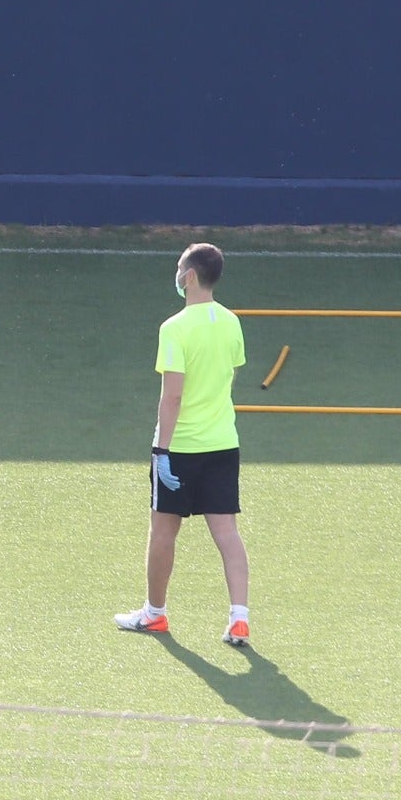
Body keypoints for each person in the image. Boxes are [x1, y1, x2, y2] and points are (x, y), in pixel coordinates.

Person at [115, 242, 250, 645]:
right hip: (223, 443)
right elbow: (229, 377)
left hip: (181, 450)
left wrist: (161, 452)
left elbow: (172, 396)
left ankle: (155, 614)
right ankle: (239, 618)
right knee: (227, 533)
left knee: (162, 531)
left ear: (189, 276)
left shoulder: (173, 328)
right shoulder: (231, 322)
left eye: (178, 268)